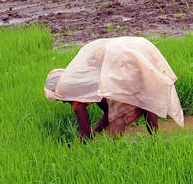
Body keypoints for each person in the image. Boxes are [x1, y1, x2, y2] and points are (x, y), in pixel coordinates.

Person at [44, 36, 184, 138]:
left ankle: (116, 152)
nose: (62, 101)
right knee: (146, 98)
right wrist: (96, 131)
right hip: (134, 62)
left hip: (125, 69)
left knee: (118, 121)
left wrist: (81, 145)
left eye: (58, 97)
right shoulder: (89, 83)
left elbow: (84, 133)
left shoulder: (77, 101)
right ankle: (155, 139)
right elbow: (107, 112)